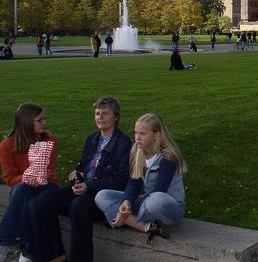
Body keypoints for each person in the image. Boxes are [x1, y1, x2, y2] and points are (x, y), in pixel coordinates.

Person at [29, 97, 132, 262]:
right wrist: (77, 173)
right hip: (82, 189)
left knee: (78, 206)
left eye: (105, 114)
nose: (100, 117)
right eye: (97, 113)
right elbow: (83, 166)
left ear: (116, 117)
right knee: (43, 201)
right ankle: (54, 255)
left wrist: (89, 186)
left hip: (102, 195)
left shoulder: (123, 143)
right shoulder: (92, 138)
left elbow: (120, 179)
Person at [95, 113, 186, 244]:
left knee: (155, 200)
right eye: (136, 133)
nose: (137, 138)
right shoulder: (136, 150)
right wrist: (127, 201)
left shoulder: (168, 156)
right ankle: (147, 227)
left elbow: (159, 190)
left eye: (142, 134)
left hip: (167, 206)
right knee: (102, 196)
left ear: (156, 135)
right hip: (147, 201)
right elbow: (134, 181)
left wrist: (124, 213)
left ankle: (124, 220)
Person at [0, 104, 59, 256]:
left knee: (20, 192)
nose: (44, 123)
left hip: (47, 185)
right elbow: (9, 177)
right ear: (26, 122)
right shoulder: (7, 145)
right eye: (40, 120)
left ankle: (5, 238)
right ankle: (28, 253)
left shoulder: (50, 140)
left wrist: (37, 177)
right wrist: (26, 178)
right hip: (23, 187)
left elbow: (49, 172)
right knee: (27, 200)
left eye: (44, 119)